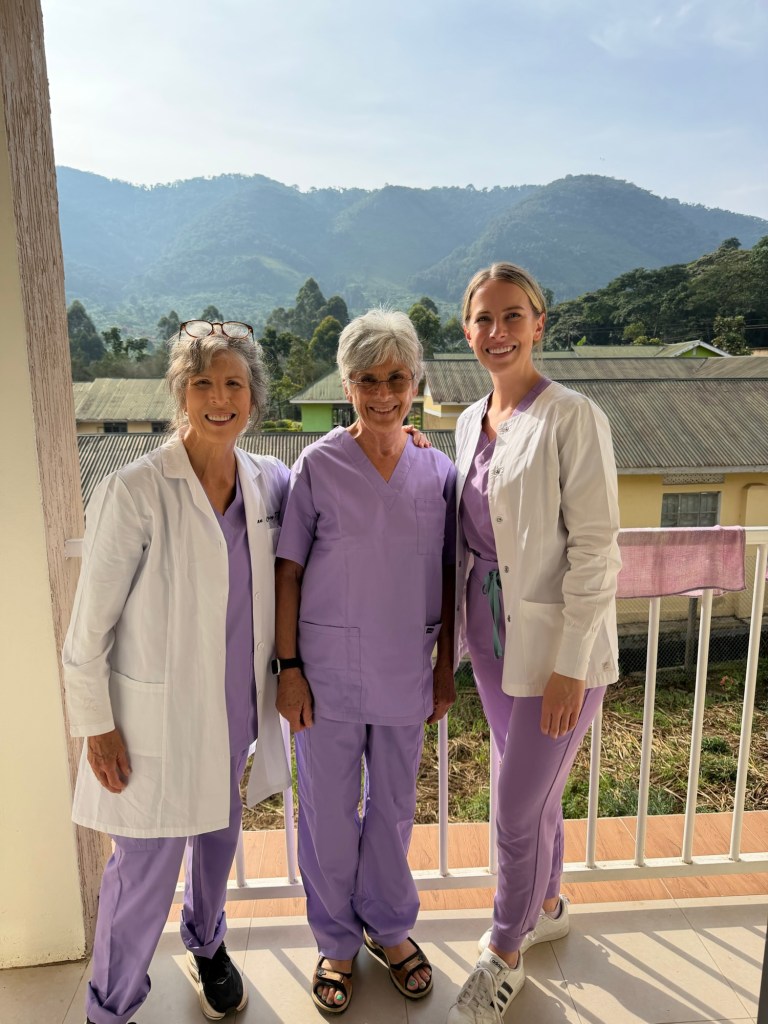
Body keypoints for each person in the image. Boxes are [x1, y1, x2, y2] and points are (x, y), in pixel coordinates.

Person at [63, 321, 291, 1024]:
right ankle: (109, 1007)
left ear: (253, 396)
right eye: (203, 384)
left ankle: (208, 943)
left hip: (232, 718)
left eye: (233, 384)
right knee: (142, 874)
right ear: (181, 395)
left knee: (217, 845)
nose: (219, 399)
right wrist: (96, 726)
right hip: (151, 727)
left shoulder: (267, 483)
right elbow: (87, 629)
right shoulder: (135, 491)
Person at [446, 264, 621, 1024]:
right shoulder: (467, 422)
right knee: (534, 796)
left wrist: (571, 668)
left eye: (513, 316)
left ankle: (505, 949)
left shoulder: (573, 417)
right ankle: (547, 905)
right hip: (492, 644)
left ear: (539, 324)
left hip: (556, 652)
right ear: (467, 331)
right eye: (484, 319)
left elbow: (598, 549)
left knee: (515, 808)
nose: (498, 332)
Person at [274, 308, 457, 1014]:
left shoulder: (436, 470)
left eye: (397, 378)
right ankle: (336, 941)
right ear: (346, 385)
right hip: (325, 672)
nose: (383, 394)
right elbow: (289, 571)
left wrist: (446, 667)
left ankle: (390, 926)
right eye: (367, 380)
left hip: (407, 665)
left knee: (395, 807)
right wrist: (289, 668)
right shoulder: (318, 466)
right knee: (326, 811)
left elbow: (450, 572)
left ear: (416, 384)